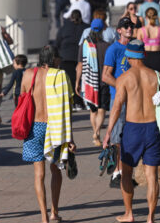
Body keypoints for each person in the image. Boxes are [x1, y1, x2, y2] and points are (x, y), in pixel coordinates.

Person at [103, 40, 160, 223]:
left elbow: (117, 107)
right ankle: (151, 218)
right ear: (143, 55)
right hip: (153, 129)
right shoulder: (157, 75)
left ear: (129, 56)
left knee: (126, 173)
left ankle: (129, 213)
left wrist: (108, 132)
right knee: (152, 176)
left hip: (133, 129)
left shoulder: (125, 78)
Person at [20, 45, 76, 223]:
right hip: (55, 127)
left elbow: (21, 99)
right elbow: (68, 108)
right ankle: (55, 212)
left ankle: (43, 218)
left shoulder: (28, 75)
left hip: (34, 127)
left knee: (39, 174)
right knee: (55, 170)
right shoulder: (60, 76)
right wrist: (70, 138)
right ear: (55, 59)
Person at [102, 17, 133, 188]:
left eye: (131, 26)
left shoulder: (134, 47)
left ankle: (126, 172)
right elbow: (105, 75)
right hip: (119, 98)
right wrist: (122, 87)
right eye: (125, 26)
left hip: (134, 98)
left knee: (130, 137)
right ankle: (116, 173)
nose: (129, 28)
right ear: (119, 30)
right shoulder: (113, 49)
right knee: (117, 137)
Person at [76, 18, 110, 146]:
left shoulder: (84, 46)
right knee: (102, 110)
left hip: (89, 83)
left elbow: (80, 65)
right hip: (104, 82)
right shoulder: (107, 46)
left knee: (93, 111)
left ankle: (95, 133)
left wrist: (77, 82)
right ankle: (97, 132)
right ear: (103, 30)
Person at [56, 10, 89, 110]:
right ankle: (80, 102)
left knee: (68, 81)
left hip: (66, 57)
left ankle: (71, 103)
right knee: (81, 80)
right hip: (82, 57)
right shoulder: (86, 27)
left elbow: (58, 42)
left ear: (71, 17)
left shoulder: (64, 28)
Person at [137, 8, 160, 73]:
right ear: (156, 17)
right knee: (159, 81)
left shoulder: (141, 30)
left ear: (146, 17)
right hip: (157, 58)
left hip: (145, 58)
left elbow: (138, 49)